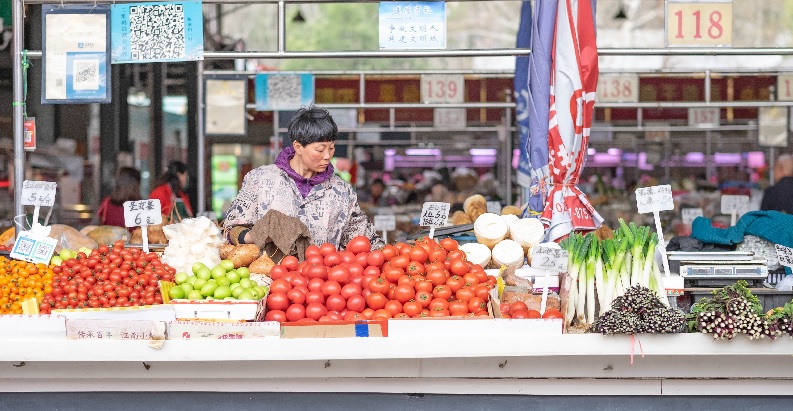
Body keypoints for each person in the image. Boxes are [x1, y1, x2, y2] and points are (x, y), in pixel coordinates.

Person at [223, 106, 384, 250]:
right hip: (270, 273)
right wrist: (257, 235)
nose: (327, 156)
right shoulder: (260, 179)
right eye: (320, 150)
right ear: (298, 147)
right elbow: (230, 230)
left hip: (322, 273)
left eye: (331, 148)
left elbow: (364, 240)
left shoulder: (342, 191)